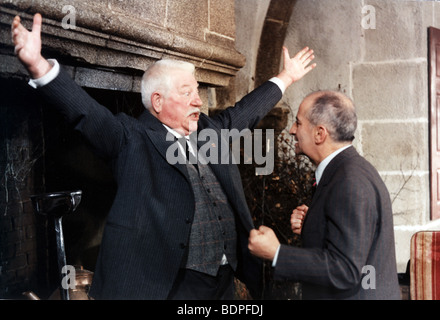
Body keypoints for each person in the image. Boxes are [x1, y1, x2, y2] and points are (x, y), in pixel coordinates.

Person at [11, 13, 316, 299]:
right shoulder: (131, 138)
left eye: (196, 91)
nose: (198, 100)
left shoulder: (208, 131)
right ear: (157, 101)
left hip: (224, 279)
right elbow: (88, 114)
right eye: (187, 92)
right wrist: (38, 65)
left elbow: (246, 112)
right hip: (171, 284)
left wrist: (286, 77)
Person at [248, 90, 401, 299]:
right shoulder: (347, 170)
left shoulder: (350, 180)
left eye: (298, 123)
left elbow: (345, 270)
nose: (292, 130)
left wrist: (277, 253)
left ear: (320, 134)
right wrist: (314, 225)